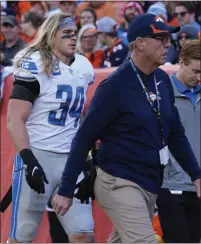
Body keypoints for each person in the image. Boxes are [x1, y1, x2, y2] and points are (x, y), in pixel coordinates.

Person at [52, 14, 201, 243]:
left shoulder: (162, 80)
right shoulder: (114, 86)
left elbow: (175, 133)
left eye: (167, 37)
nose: (167, 43)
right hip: (119, 181)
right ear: (140, 43)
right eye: (160, 38)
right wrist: (66, 188)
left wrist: (196, 175)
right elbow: (84, 137)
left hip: (150, 182)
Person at [6, 12, 94, 243]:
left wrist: (87, 157)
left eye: (74, 34)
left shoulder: (83, 67)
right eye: (66, 34)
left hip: (71, 160)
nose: (73, 39)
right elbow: (14, 119)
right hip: (39, 157)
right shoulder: (35, 63)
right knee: (22, 235)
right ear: (51, 36)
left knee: (83, 234)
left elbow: (80, 117)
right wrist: (28, 159)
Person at [157, 40, 201, 243]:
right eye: (196, 71)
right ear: (181, 61)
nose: (199, 78)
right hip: (171, 185)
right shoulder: (160, 94)